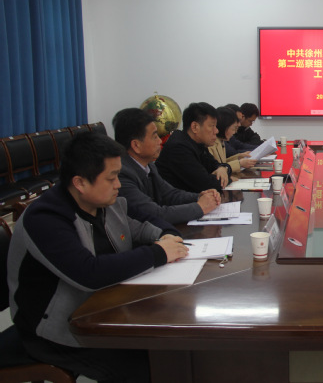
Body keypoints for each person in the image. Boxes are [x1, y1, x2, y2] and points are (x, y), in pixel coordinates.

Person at [7, 132, 189, 382]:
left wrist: (168, 236)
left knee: (173, 351)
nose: (118, 184)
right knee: (152, 369)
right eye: (111, 177)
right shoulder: (45, 218)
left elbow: (148, 222)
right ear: (80, 183)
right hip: (54, 328)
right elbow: (88, 273)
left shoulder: (106, 203)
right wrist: (158, 252)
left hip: (105, 308)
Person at [112, 108, 221, 224]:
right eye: (155, 137)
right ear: (136, 145)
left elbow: (169, 194)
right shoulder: (121, 175)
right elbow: (155, 214)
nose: (160, 141)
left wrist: (199, 196)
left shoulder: (149, 165)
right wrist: (200, 207)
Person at [156, 102, 233, 192]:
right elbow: (206, 184)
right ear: (195, 127)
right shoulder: (178, 148)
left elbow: (215, 165)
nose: (216, 131)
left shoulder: (197, 144)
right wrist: (228, 179)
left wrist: (222, 168)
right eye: (212, 126)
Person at [208, 107, 258, 172]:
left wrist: (238, 157)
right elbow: (216, 169)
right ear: (224, 126)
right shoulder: (210, 143)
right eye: (233, 128)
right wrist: (239, 163)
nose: (235, 132)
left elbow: (223, 162)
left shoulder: (220, 141)